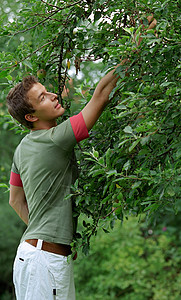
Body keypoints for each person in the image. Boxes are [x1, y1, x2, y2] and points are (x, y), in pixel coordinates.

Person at [7, 16, 156, 300]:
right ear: (31, 116)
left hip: (31, 256)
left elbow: (15, 200)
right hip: (44, 263)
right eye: (42, 98)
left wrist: (45, 235)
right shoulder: (55, 139)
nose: (52, 95)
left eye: (47, 90)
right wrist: (139, 40)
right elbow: (101, 94)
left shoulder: (23, 147)